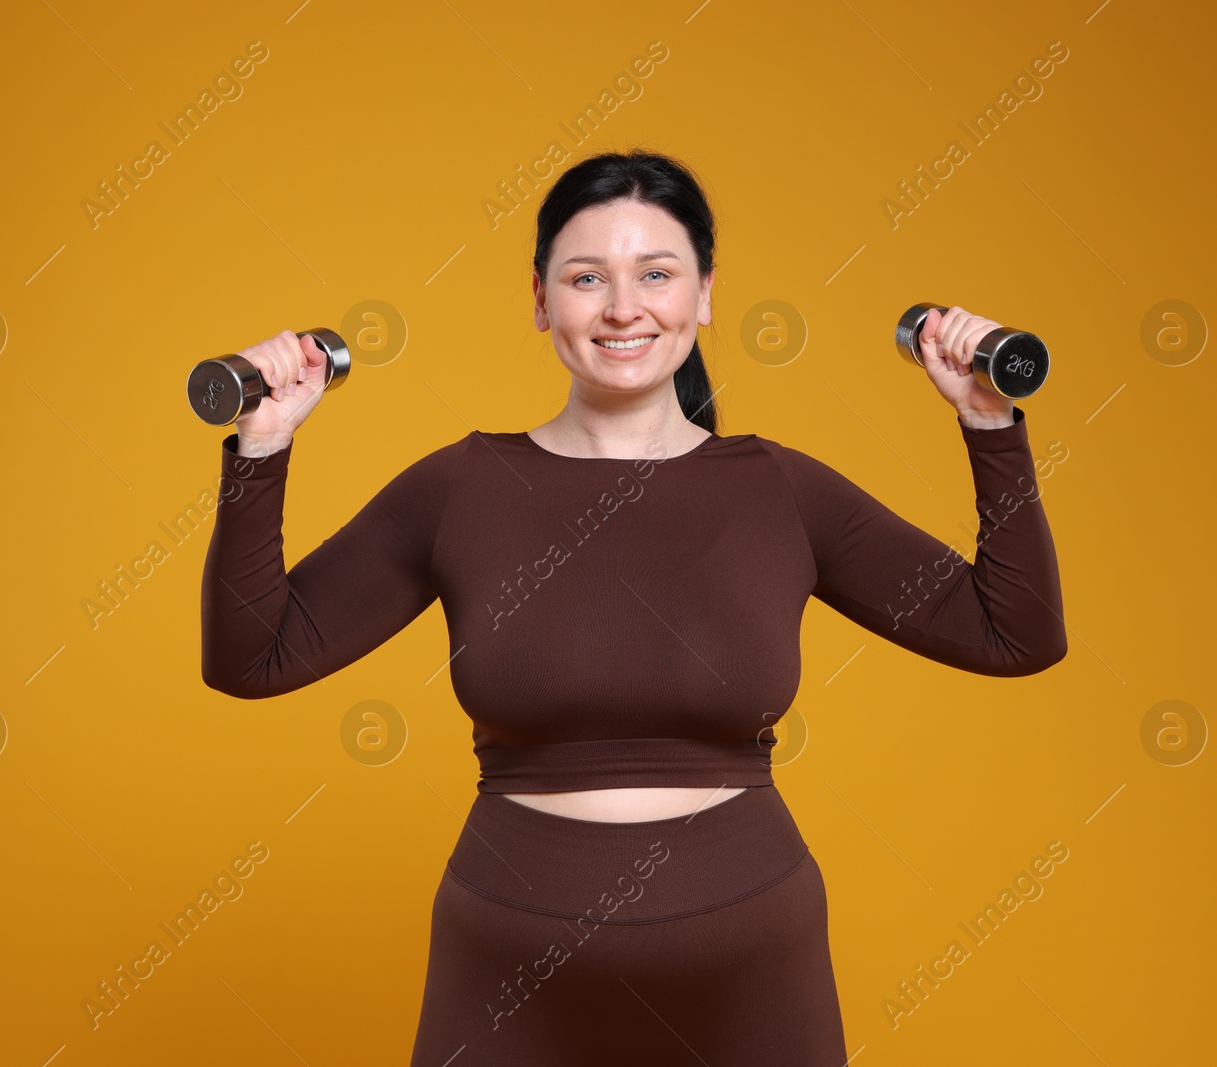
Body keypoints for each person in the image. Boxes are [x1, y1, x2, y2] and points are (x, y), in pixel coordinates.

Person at [199, 149, 1067, 1065]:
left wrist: (988, 426)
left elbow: (1014, 632)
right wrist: (262, 451)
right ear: (539, 300)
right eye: (587, 278)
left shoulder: (776, 489)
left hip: (751, 970)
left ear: (704, 296)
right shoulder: (464, 485)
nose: (623, 307)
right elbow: (253, 658)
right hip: (507, 970)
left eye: (657, 273)